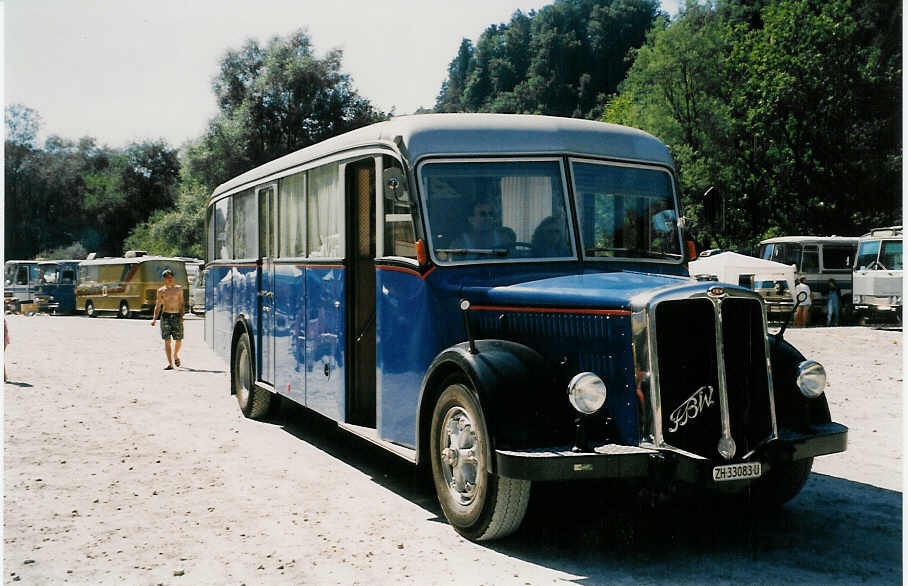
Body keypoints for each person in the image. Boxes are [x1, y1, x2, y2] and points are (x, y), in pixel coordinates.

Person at [150, 269, 184, 370]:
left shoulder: (178, 289)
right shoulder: (161, 291)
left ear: (172, 278)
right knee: (167, 340)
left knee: (179, 339)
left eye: (170, 277)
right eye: (166, 277)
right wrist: (154, 319)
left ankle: (175, 355)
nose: (169, 279)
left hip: (177, 315)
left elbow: (181, 303)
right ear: (164, 279)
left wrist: (182, 316)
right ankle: (170, 364)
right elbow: (158, 305)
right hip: (166, 316)